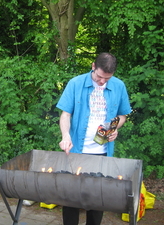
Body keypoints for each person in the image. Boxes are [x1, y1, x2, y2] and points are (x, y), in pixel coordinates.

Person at [56, 53, 132, 225]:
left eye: (107, 79)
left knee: (97, 200)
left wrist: (114, 128)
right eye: (99, 77)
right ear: (92, 66)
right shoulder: (75, 83)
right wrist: (65, 135)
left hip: (102, 152)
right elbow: (65, 114)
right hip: (76, 151)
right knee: (70, 199)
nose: (102, 82)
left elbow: (123, 115)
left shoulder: (119, 86)